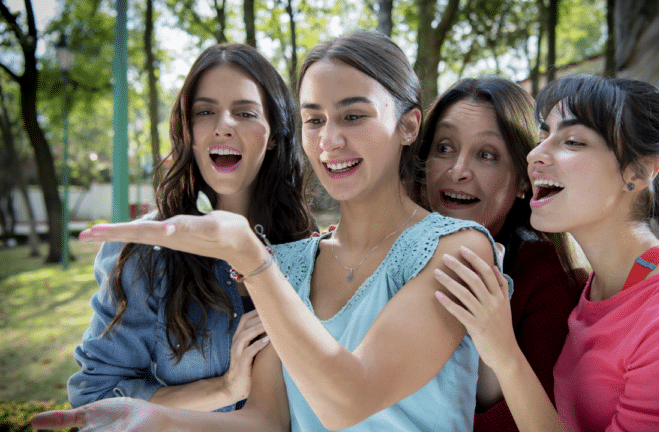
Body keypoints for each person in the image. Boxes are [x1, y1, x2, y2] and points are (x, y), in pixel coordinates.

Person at [32, 30, 501, 431]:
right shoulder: (291, 262)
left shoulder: (457, 248)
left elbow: (349, 400)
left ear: (408, 125)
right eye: (314, 119)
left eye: (353, 116)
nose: (330, 139)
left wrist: (249, 256)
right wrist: (155, 418)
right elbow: (266, 422)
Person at [433, 74, 659, 431]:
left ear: (638, 172)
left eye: (572, 141)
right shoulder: (594, 292)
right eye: (544, 137)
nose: (534, 154)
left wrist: (504, 351)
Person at [66, 43, 316, 414]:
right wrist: (225, 388)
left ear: (275, 134)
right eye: (205, 112)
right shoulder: (145, 253)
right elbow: (96, 395)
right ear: (188, 132)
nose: (223, 126)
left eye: (245, 112)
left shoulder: (311, 248)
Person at [417, 76, 585, 432]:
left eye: (487, 155)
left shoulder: (540, 276)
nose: (458, 171)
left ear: (523, 180)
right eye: (444, 147)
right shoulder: (391, 249)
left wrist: (490, 340)